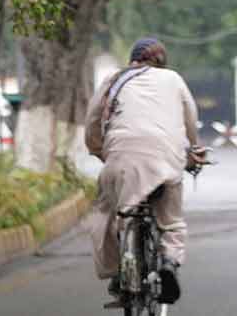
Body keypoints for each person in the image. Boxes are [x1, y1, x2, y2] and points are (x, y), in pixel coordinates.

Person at [85, 37, 204, 305]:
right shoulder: (173, 79)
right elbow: (190, 117)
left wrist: (98, 150)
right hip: (167, 160)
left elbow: (93, 119)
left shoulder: (114, 80)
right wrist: (194, 149)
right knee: (171, 221)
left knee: (107, 213)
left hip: (121, 160)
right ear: (162, 61)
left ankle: (118, 273)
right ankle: (169, 263)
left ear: (132, 59)